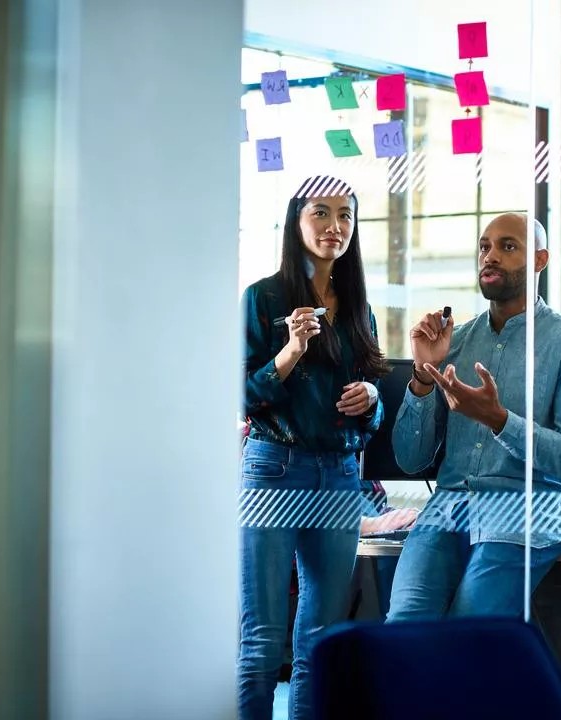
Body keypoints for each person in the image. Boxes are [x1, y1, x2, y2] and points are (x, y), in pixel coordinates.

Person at [385, 212, 561, 620]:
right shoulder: (457, 342)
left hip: (526, 509)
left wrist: (500, 421)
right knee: (403, 628)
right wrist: (421, 376)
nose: (490, 256)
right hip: (449, 508)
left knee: (467, 631)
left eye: (508, 247)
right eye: (485, 246)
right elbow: (410, 459)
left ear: (540, 260)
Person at [239, 176, 394, 720]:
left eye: (346, 215)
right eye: (321, 213)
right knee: (261, 643)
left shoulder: (358, 307)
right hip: (274, 469)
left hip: (340, 475)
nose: (335, 227)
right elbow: (241, 394)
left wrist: (371, 397)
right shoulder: (263, 298)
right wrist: (291, 351)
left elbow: (373, 416)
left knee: (320, 643)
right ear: (296, 222)